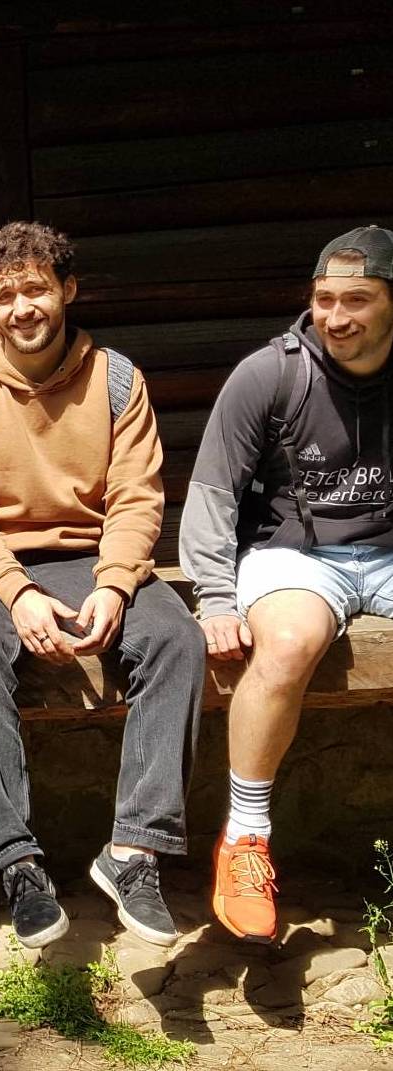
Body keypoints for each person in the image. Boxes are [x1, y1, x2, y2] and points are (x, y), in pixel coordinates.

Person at [0, 221, 204, 950]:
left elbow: (137, 497)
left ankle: (134, 851)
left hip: (91, 557)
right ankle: (17, 863)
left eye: (36, 288)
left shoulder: (117, 379)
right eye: (4, 294)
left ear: (66, 290)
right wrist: (15, 593)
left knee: (175, 638)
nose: (21, 307)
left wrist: (114, 585)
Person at [181, 225, 393, 943]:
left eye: (356, 299)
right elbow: (210, 490)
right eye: (324, 299)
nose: (336, 316)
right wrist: (213, 594)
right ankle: (244, 842)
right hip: (294, 554)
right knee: (286, 644)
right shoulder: (270, 373)